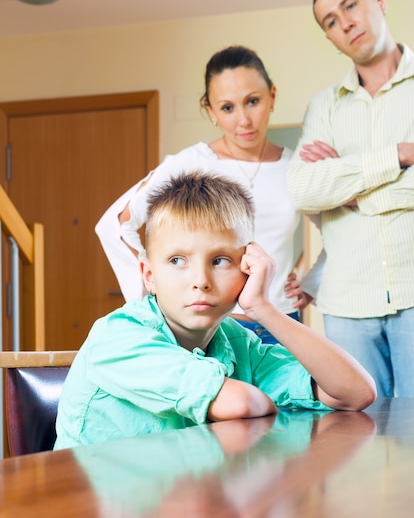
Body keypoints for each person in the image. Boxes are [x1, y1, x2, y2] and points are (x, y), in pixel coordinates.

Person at [54, 171, 376, 448]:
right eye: (177, 260)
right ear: (149, 276)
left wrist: (262, 308)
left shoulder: (236, 343)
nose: (201, 281)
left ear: (247, 268)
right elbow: (243, 403)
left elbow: (355, 392)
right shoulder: (118, 338)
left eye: (220, 260)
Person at [287, 0, 414, 399]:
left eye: (351, 5)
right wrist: (400, 154)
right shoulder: (324, 106)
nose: (346, 22)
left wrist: (355, 193)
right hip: (346, 302)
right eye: (331, 21)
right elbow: (304, 190)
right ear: (330, 37)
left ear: (378, 0)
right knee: (357, 450)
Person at [95, 45, 315, 345]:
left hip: (282, 320)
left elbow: (340, 229)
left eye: (253, 101)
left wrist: (313, 281)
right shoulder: (192, 162)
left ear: (272, 96)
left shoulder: (297, 168)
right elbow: (114, 225)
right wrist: (157, 283)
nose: (244, 120)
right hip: (220, 327)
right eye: (227, 107)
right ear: (211, 111)